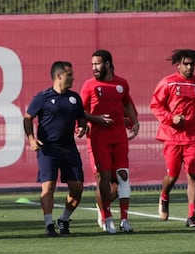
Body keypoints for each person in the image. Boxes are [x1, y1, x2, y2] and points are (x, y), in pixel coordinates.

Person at [23, 61, 88, 237]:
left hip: (69, 148)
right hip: (48, 149)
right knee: (49, 186)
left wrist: (83, 127)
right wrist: (31, 140)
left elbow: (81, 119)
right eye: (70, 74)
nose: (73, 77)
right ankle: (49, 224)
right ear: (59, 76)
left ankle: (64, 219)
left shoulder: (75, 98)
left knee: (77, 187)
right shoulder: (42, 97)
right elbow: (28, 118)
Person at [79, 49, 139, 234]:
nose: (94, 68)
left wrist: (134, 121)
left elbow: (127, 103)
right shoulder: (89, 86)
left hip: (119, 138)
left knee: (123, 177)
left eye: (97, 64)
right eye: (92, 65)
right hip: (98, 140)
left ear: (107, 64)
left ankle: (125, 220)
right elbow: (79, 111)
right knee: (103, 179)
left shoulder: (121, 84)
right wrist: (83, 125)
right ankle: (106, 216)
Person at [150, 49, 195, 227]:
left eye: (192, 64)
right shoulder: (168, 82)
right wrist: (171, 118)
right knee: (172, 175)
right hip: (172, 136)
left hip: (192, 137)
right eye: (186, 64)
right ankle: (164, 196)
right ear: (178, 65)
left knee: (193, 174)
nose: (190, 67)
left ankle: (191, 216)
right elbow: (155, 105)